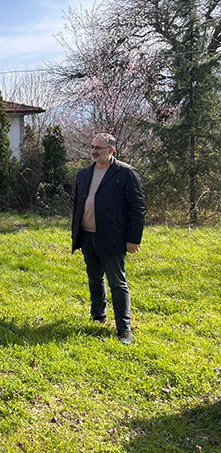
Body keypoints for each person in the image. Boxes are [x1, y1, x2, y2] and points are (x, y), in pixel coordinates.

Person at [72, 133, 146, 345]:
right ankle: (98, 316)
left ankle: (124, 329)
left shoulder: (126, 173)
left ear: (111, 150)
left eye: (99, 148)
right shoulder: (84, 174)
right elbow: (78, 204)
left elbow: (138, 207)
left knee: (117, 283)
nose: (94, 151)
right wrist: (77, 235)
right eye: (92, 147)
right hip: (87, 235)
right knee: (94, 277)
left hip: (113, 237)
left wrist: (133, 239)